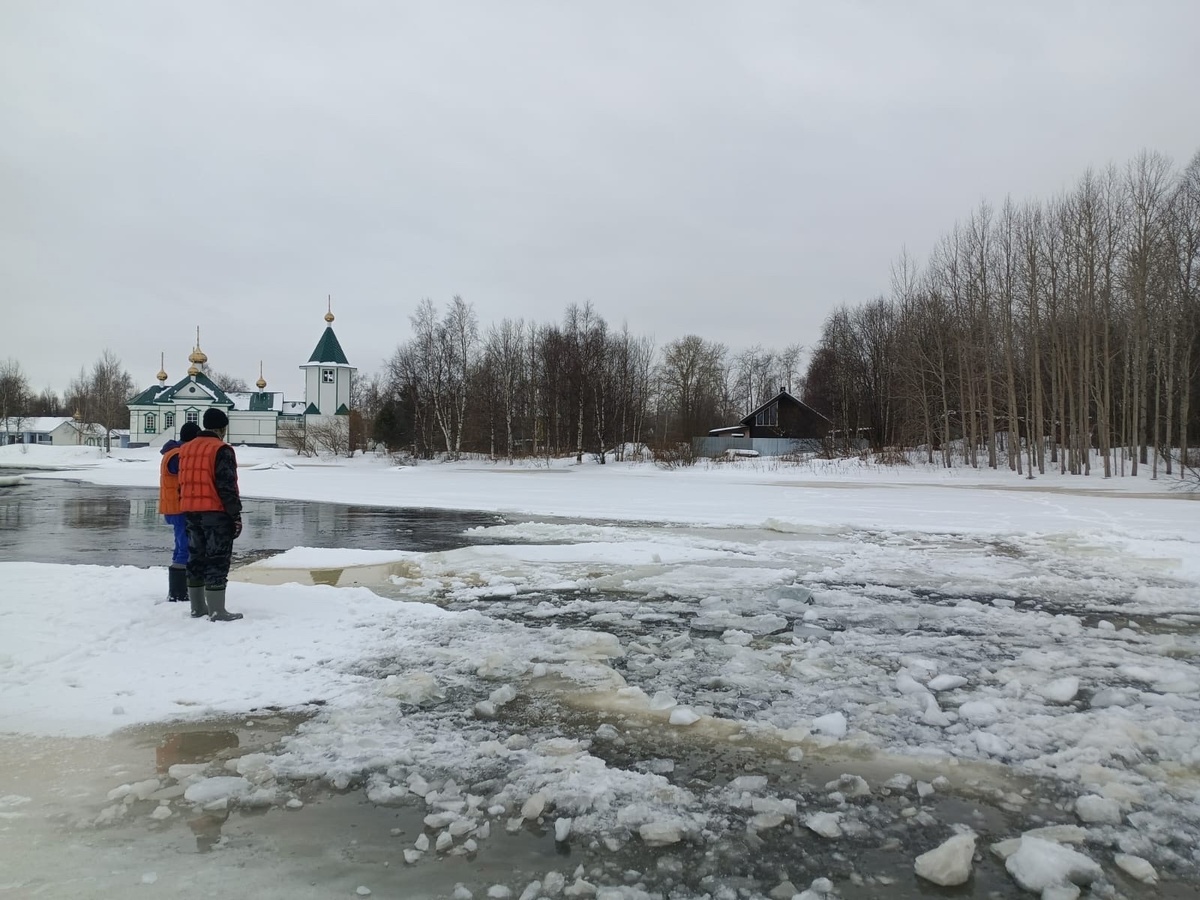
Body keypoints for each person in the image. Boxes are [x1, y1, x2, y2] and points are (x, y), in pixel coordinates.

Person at [179, 408, 244, 621]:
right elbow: (226, 486)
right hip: (215, 513)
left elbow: (183, 483)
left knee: (195, 558)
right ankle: (218, 610)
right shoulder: (221, 449)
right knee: (217, 559)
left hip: (190, 512)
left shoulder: (186, 449)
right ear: (222, 428)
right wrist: (235, 515)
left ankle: (197, 608)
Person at [159, 421, 201, 602]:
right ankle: (179, 591)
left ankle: (178, 589)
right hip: (180, 507)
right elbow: (187, 476)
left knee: (181, 545)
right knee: (185, 547)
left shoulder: (173, 452)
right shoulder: (178, 455)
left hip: (175, 507)